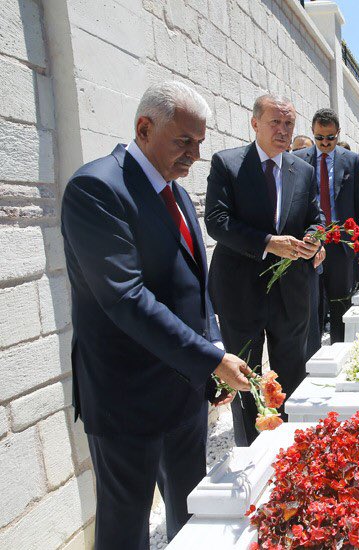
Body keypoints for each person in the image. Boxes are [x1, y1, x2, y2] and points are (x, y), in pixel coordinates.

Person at [61, 82, 252, 548]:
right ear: (144, 128)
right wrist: (208, 360)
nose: (193, 156)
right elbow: (126, 298)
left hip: (182, 390)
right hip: (127, 398)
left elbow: (192, 287)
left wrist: (211, 359)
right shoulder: (96, 189)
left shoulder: (176, 191)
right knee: (127, 529)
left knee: (192, 513)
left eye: (200, 144)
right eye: (184, 141)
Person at [205, 95, 323, 446]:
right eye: (275, 122)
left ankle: (291, 450)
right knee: (245, 378)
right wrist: (268, 242)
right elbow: (217, 221)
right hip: (241, 293)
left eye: (289, 124)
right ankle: (253, 452)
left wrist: (315, 241)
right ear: (254, 123)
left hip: (292, 292)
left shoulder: (303, 170)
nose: (283, 130)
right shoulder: (228, 164)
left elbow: (314, 219)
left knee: (292, 376)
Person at [293, 108, 359, 343]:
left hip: (341, 243)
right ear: (312, 133)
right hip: (310, 242)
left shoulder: (351, 160)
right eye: (319, 137)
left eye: (330, 137)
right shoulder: (298, 159)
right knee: (311, 303)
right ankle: (313, 353)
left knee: (340, 301)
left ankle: (340, 348)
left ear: (338, 133)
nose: (325, 143)